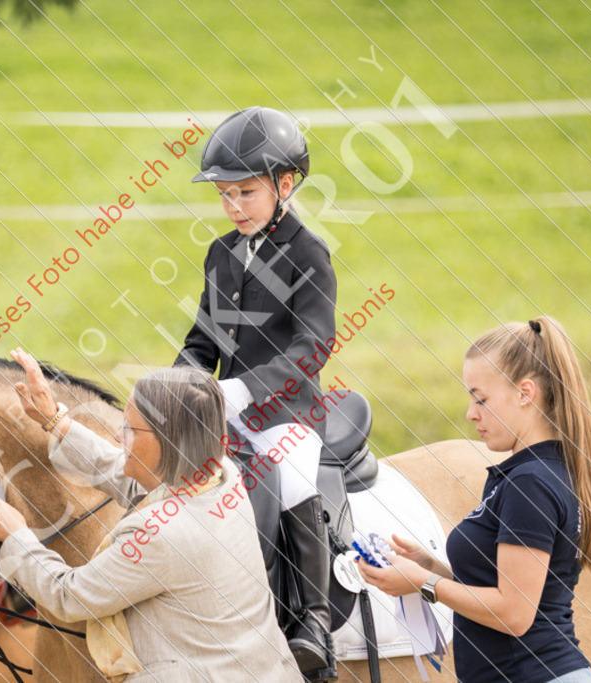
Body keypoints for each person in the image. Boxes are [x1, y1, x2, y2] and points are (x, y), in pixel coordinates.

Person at [0, 348, 302, 682]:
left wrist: (17, 536)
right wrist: (55, 422)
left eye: (130, 429)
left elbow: (70, 596)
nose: (119, 437)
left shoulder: (158, 537)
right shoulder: (220, 475)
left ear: (167, 442)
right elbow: (133, 475)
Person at [359, 316, 591, 683]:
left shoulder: (531, 483)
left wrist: (422, 583)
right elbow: (504, 590)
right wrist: (430, 568)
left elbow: (514, 613)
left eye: (481, 399)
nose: (470, 413)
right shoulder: (533, 473)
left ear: (525, 393)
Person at [174, 106, 338, 677]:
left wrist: (242, 390)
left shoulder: (308, 252)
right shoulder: (220, 254)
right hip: (227, 415)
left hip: (288, 413)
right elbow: (202, 340)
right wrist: (177, 388)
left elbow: (314, 345)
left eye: (245, 193)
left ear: (284, 184)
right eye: (224, 195)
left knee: (288, 471)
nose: (233, 206)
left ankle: (315, 621)